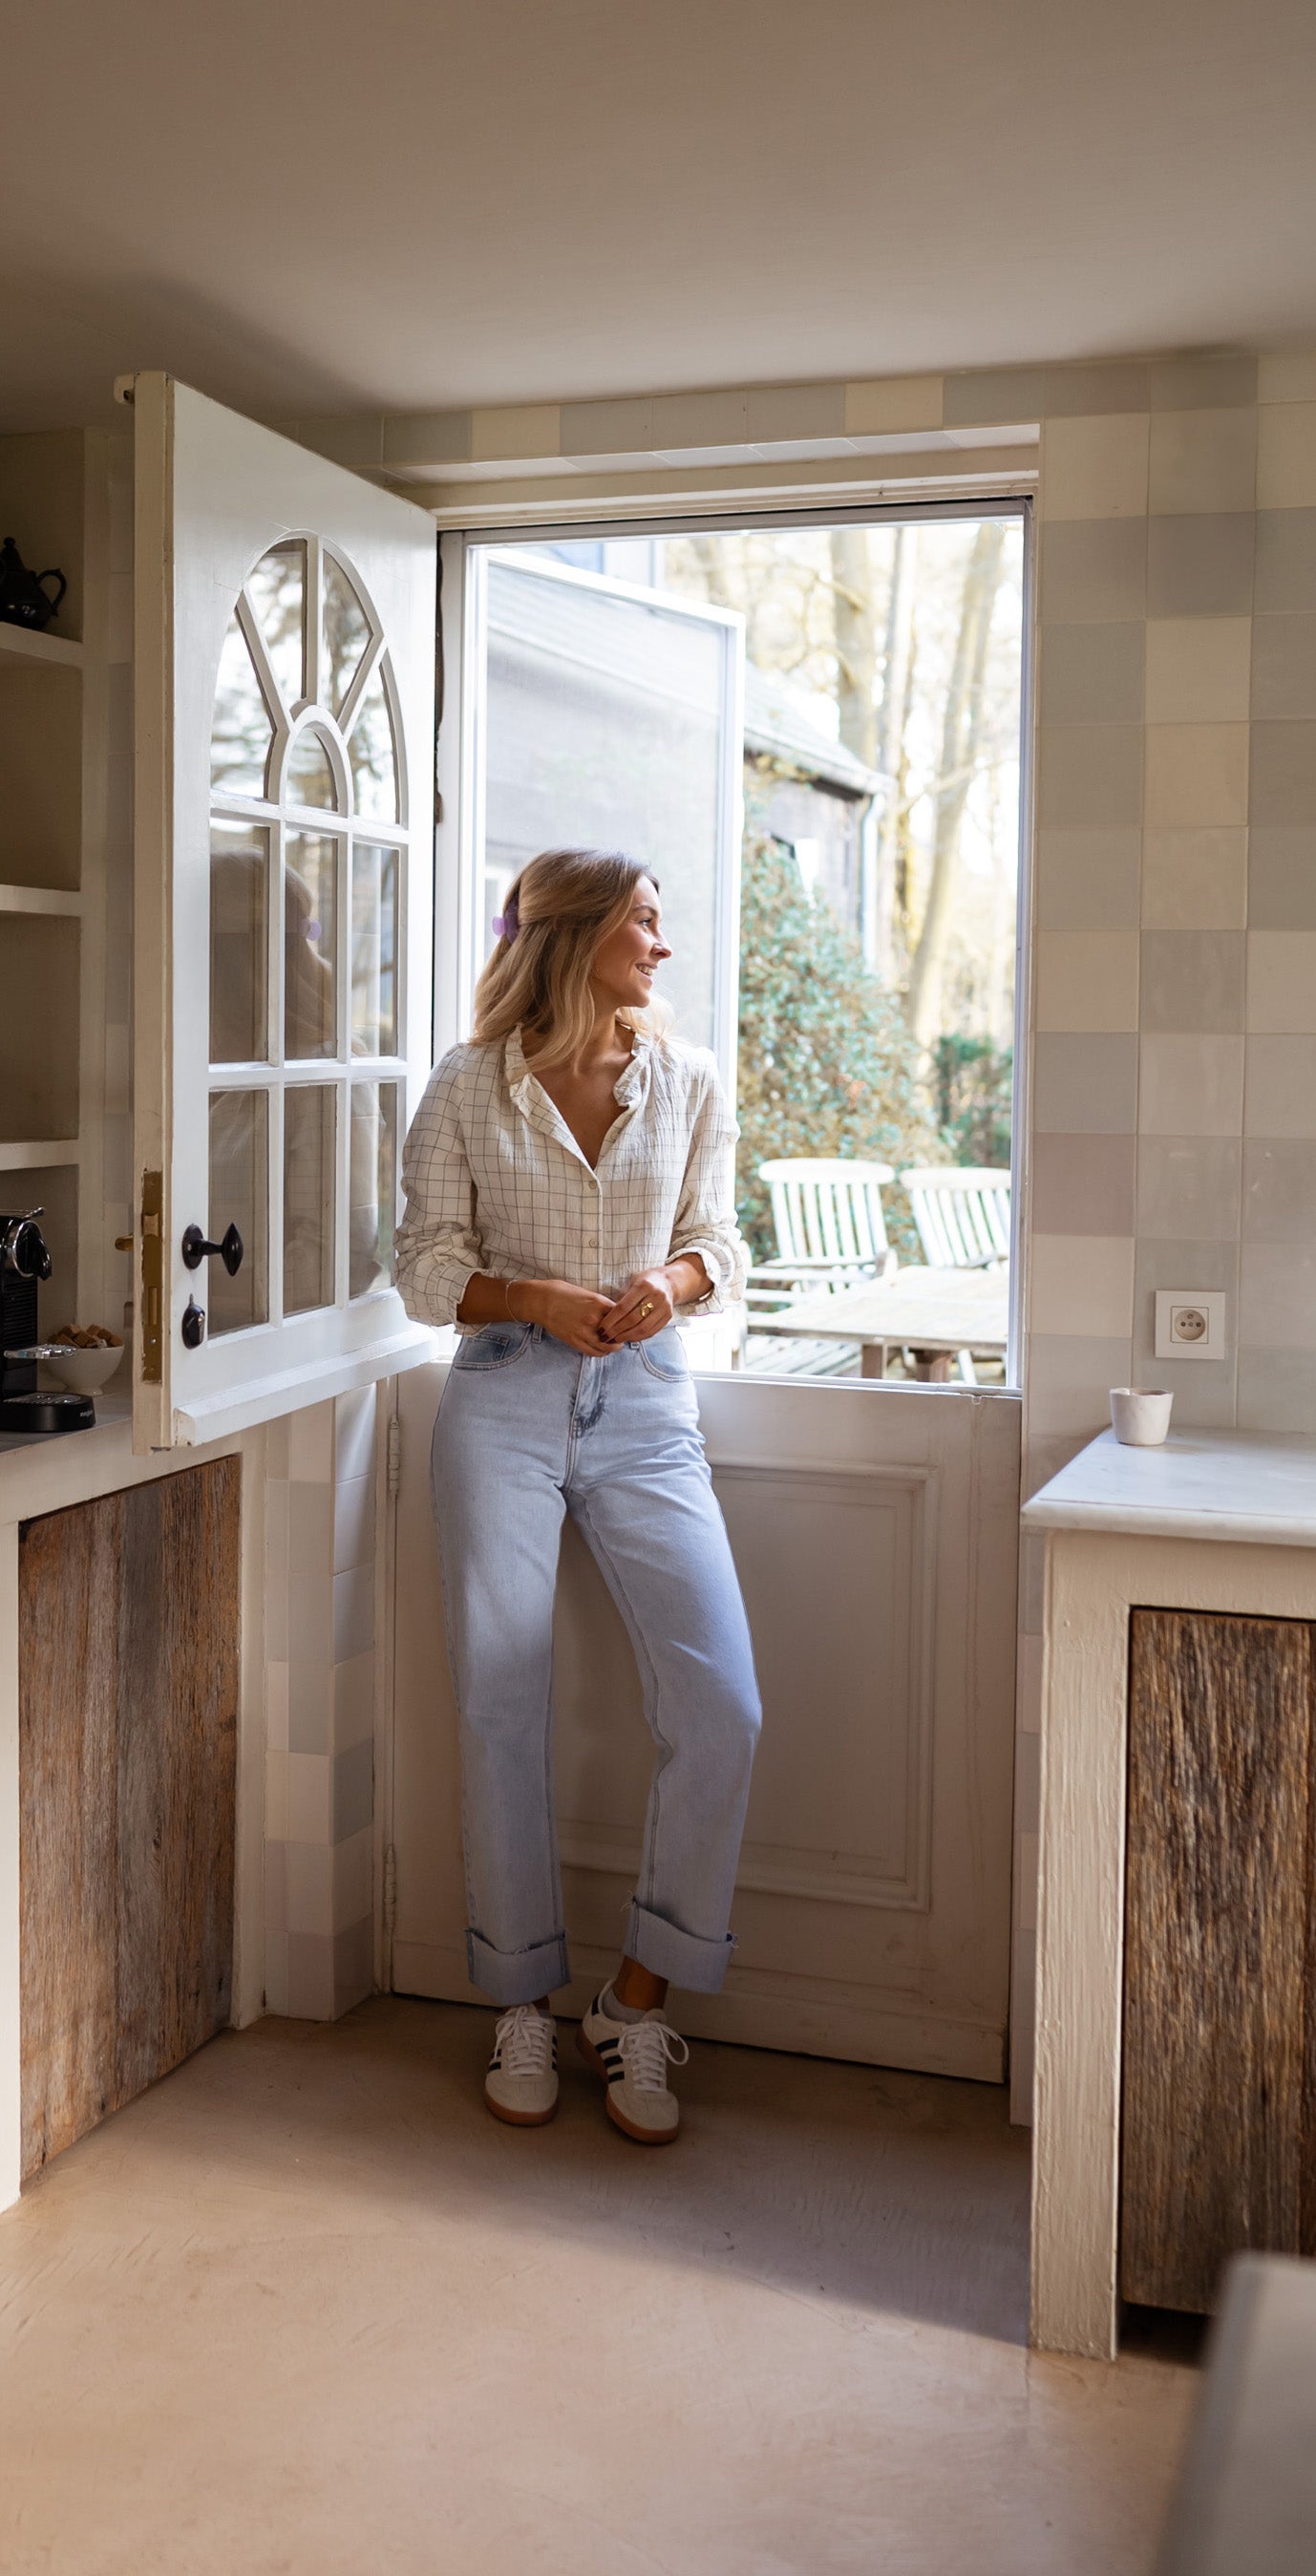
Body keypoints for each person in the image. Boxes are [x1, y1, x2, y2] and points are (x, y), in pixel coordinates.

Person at [393, 846, 762, 2143]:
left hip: (648, 1406)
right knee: (503, 1704)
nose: (662, 946)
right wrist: (541, 1299)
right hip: (499, 1396)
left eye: (661, 923)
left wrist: (673, 1282)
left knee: (722, 1701)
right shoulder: (467, 1085)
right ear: (577, 933)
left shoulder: (691, 1078)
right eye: (644, 923)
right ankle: (522, 2000)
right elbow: (426, 1268)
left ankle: (637, 1999)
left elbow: (722, 1239)